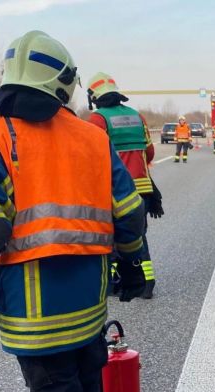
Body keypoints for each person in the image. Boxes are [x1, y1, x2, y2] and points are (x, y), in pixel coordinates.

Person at [0, 30, 147, 392]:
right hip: (89, 307)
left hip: (33, 319)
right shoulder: (93, 138)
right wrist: (133, 264)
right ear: (62, 82)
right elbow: (130, 213)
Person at [86, 72, 163, 299]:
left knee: (110, 237)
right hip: (142, 189)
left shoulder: (98, 120)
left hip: (113, 190)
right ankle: (147, 281)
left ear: (94, 96)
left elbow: (91, 157)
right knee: (138, 235)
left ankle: (112, 283)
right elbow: (149, 152)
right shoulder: (137, 116)